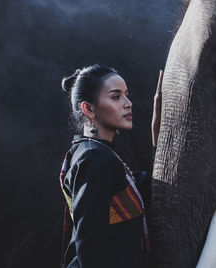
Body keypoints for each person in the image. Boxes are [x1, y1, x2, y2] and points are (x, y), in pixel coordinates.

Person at [58, 64, 163, 268]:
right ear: (88, 109)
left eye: (126, 95)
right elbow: (91, 251)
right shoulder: (94, 158)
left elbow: (150, 190)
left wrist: (159, 140)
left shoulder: (95, 153)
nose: (128, 103)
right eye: (116, 97)